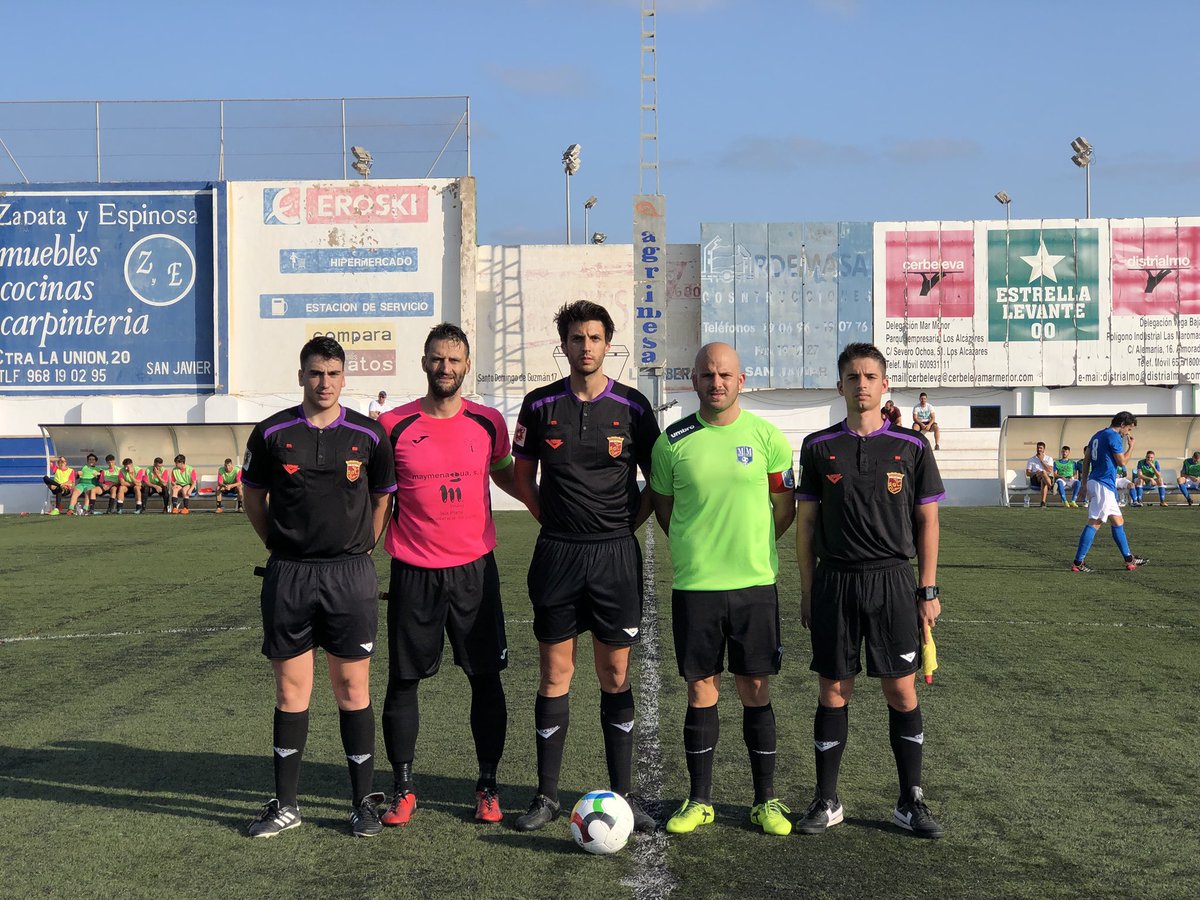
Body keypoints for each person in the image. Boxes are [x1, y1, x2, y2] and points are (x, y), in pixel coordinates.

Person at [511, 300, 660, 834]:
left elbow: (655, 481)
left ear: (607, 343)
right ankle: (546, 796)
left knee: (614, 673)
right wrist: (543, 513)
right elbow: (522, 477)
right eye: (577, 338)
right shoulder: (538, 406)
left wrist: (625, 524)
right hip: (558, 553)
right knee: (555, 673)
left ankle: (622, 795)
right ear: (565, 345)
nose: (586, 347)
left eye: (595, 338)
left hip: (614, 556)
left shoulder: (635, 409)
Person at [243, 336, 397, 839]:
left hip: (349, 576)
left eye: (332, 373)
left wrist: (362, 547)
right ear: (301, 375)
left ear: (344, 376)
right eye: (315, 373)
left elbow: (381, 501)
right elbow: (253, 495)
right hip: (289, 575)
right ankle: (285, 804)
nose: (324, 382)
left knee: (352, 687)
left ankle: (362, 803)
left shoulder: (369, 435)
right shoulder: (271, 433)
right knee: (291, 691)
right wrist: (281, 545)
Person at [794, 342, 946, 839]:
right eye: (851, 376)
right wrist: (807, 590)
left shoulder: (912, 446)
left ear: (885, 385)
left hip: (893, 581)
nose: (861, 384)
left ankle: (910, 800)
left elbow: (927, 519)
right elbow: (806, 526)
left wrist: (928, 589)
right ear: (840, 386)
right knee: (834, 689)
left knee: (901, 689)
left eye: (869, 376)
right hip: (836, 581)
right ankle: (827, 799)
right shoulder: (818, 446)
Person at [376, 323, 522, 828]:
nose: (445, 368)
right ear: (424, 362)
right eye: (437, 359)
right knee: (403, 680)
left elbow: (506, 472)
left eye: (454, 360)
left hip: (475, 572)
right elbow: (378, 498)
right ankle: (402, 788)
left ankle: (487, 786)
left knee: (486, 680)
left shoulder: (488, 422)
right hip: (414, 571)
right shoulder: (392, 424)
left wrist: (547, 507)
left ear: (466, 365)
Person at [650, 342, 797, 837]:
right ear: (693, 381)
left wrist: (752, 546)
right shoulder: (672, 441)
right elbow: (665, 510)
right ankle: (700, 800)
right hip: (697, 587)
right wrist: (700, 548)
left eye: (726, 374)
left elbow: (785, 507)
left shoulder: (768, 436)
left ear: (742, 379)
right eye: (708, 374)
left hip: (755, 584)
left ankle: (765, 801)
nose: (717, 382)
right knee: (700, 689)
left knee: (755, 687)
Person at [1070, 412, 1149, 574]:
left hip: (1098, 483)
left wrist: (1085, 483)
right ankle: (1078, 562)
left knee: (1118, 520)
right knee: (1095, 522)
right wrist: (1131, 447)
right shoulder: (1114, 437)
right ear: (1121, 425)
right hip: (1102, 485)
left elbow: (1086, 460)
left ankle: (1129, 559)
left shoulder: (1098, 434)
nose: (1128, 433)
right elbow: (1122, 461)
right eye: (1129, 429)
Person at [1025, 442, 1055, 507]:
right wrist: (1036, 472)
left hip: (1046, 478)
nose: (1039, 449)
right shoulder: (1031, 459)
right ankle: (1051, 487)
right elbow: (1027, 473)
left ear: (1044, 449)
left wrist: (1041, 461)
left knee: (1043, 477)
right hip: (1035, 478)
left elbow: (1050, 470)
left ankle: (1043, 502)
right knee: (1042, 474)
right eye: (1038, 448)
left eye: (1041, 448)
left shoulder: (1049, 458)